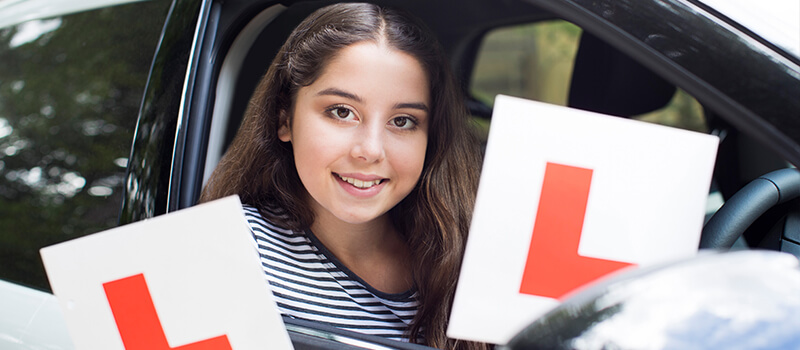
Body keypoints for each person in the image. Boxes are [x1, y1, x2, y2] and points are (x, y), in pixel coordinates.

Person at [200, 3, 484, 349]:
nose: (370, 150)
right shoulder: (225, 251)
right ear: (284, 119)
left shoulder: (465, 254)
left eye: (403, 120)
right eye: (341, 112)